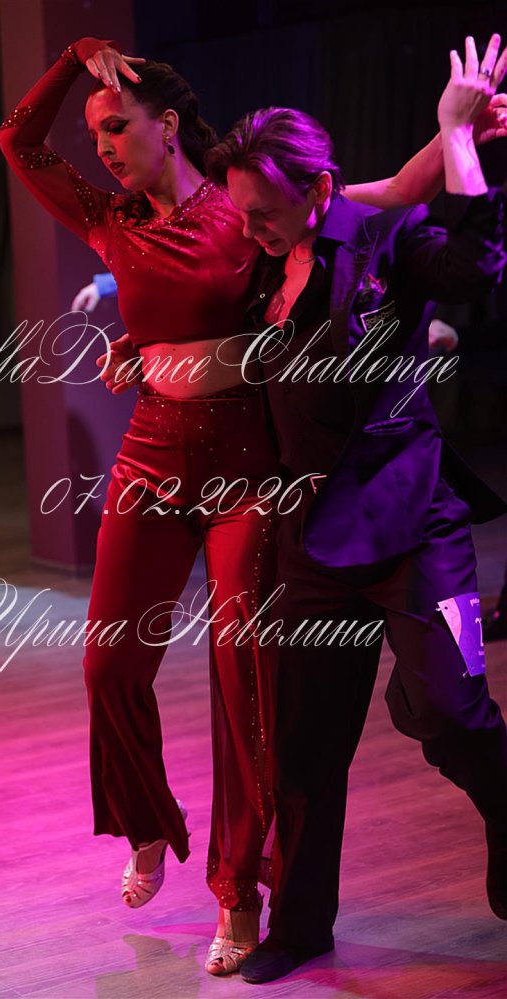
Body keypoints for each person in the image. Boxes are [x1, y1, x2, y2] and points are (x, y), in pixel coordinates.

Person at [0, 34, 504, 974]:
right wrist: (72, 60)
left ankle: (247, 888)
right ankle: (208, 863)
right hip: (210, 479)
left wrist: (459, 132)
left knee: (316, 699)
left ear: (168, 125)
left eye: (117, 128)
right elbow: (22, 147)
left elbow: (399, 198)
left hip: (302, 488)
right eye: (94, 133)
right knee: (172, 688)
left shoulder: (271, 219)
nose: (102, 147)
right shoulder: (152, 226)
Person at [201, 32, 507, 984]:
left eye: (265, 212)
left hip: (418, 525)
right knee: (305, 745)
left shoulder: (383, 240)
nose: (251, 227)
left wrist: (460, 139)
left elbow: (477, 267)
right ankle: (301, 926)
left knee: (455, 712)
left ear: (318, 190)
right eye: (241, 212)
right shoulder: (262, 267)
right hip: (312, 539)